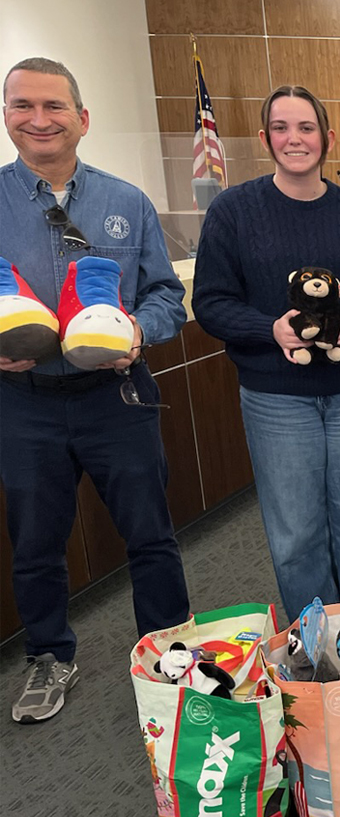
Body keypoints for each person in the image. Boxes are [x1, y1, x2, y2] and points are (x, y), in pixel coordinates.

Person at [0, 57, 190, 722]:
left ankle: (170, 651)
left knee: (151, 534)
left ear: (83, 119)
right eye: (23, 105)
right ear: (7, 116)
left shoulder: (126, 202)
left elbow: (168, 295)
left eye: (54, 106)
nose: (39, 119)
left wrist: (137, 330)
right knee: (35, 543)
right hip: (24, 407)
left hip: (117, 397)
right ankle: (51, 656)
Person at [192, 85, 340, 622]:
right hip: (275, 399)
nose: (296, 139)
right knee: (295, 534)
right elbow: (211, 304)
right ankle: (314, 647)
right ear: (266, 138)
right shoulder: (232, 212)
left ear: (327, 138)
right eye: (283, 129)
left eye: (307, 128)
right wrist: (272, 330)